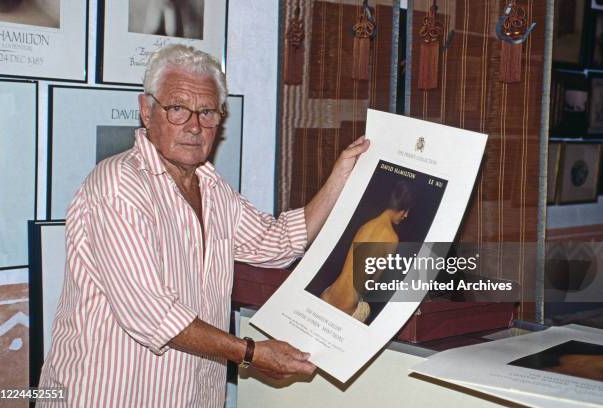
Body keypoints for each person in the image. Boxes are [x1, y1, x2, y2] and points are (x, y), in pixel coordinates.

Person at [37, 44, 369, 407]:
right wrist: (251, 353)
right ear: (147, 111)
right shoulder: (119, 184)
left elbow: (277, 242)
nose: (194, 127)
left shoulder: (212, 187)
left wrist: (341, 176)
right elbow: (152, 315)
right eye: (178, 109)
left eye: (207, 112)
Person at [320, 180, 413, 322]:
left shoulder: (365, 226)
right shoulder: (392, 238)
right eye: (406, 211)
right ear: (401, 209)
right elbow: (372, 282)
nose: (406, 216)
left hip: (327, 296)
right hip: (347, 308)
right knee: (367, 308)